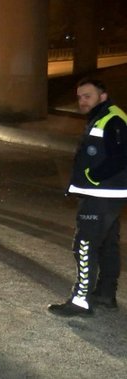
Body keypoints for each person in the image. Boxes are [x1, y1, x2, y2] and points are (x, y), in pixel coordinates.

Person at [48, 78, 127, 317]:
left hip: (101, 194)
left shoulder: (112, 119)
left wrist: (93, 177)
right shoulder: (104, 115)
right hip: (108, 194)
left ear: (102, 96)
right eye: (80, 96)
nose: (82, 100)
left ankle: (81, 300)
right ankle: (105, 293)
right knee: (108, 245)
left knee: (84, 245)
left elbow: (121, 156)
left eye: (88, 96)